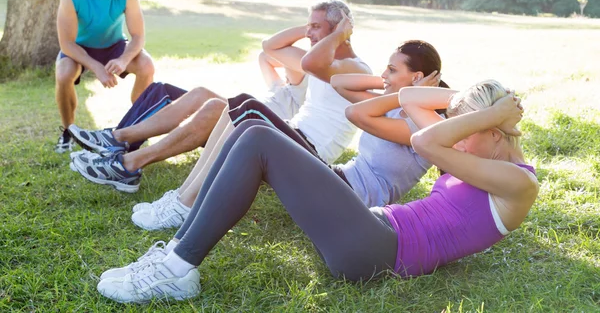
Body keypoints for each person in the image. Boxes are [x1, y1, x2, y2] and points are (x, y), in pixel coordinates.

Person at [95, 79, 539, 303]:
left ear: (498, 132)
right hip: (371, 229)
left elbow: (425, 140)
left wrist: (489, 114)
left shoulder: (518, 183)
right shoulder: (479, 156)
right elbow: (409, 98)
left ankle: (175, 269)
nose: (457, 139)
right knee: (250, 124)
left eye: (471, 129)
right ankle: (177, 247)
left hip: (378, 251)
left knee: (260, 139)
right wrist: (476, 102)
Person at [130, 40, 445, 231]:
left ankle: (184, 205)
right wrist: (397, 87)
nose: (384, 76)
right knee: (241, 111)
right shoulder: (394, 108)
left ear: (416, 77)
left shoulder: (423, 124)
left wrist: (407, 94)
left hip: (350, 199)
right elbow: (341, 84)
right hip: (337, 179)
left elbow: (355, 112)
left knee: (250, 110)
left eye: (391, 69)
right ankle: (184, 199)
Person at [69, 0, 370, 196]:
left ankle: (125, 159)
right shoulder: (323, 63)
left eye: (316, 27)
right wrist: (311, 29)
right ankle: (125, 156)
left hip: (308, 153)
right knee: (213, 104)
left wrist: (338, 33)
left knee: (215, 105)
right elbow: (270, 47)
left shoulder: (349, 67)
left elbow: (309, 64)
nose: (310, 33)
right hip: (293, 137)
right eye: (310, 27)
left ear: (340, 30)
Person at [67, 51, 308, 192]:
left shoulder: (300, 90)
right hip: (243, 119)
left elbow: (275, 49)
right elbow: (266, 55)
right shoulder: (280, 87)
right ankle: (117, 138)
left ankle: (118, 145)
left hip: (252, 128)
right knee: (170, 90)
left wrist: (313, 36)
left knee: (200, 98)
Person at [55, 0, 155, 153]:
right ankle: (68, 131)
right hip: (80, 48)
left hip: (114, 45)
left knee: (147, 66)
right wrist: (97, 68)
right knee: (64, 75)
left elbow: (137, 36)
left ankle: (138, 128)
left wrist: (123, 59)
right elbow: (67, 43)